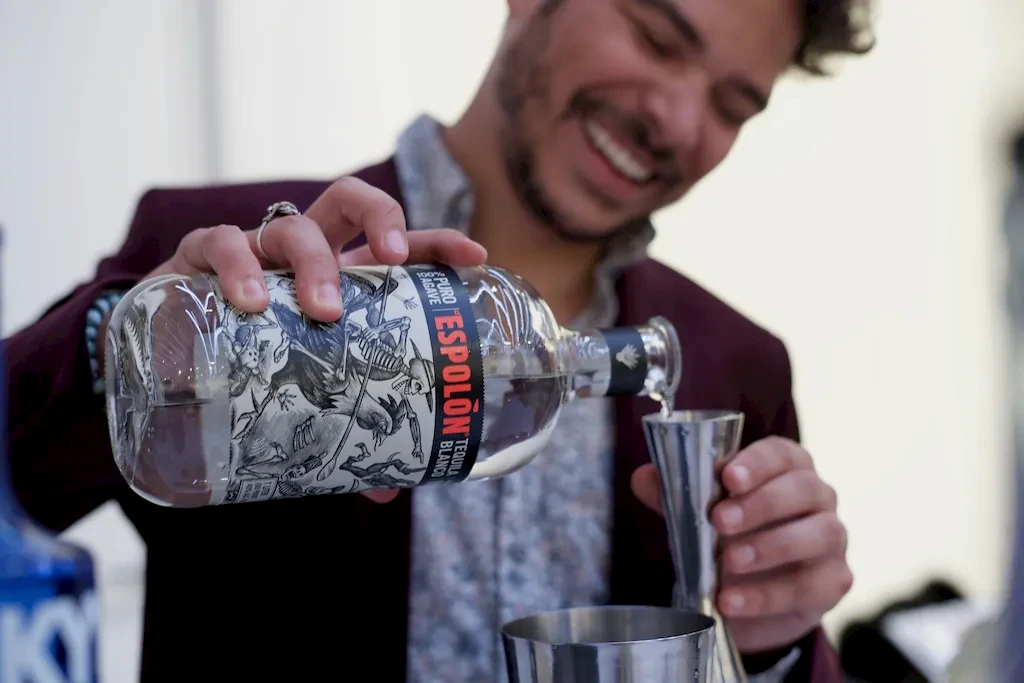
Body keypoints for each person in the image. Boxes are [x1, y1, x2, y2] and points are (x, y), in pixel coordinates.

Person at [6, 0, 874, 681]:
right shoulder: (214, 249)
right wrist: (115, 344)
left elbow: (749, 646)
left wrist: (779, 644)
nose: (679, 120)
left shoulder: (735, 363)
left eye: (732, 104)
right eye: (657, 36)